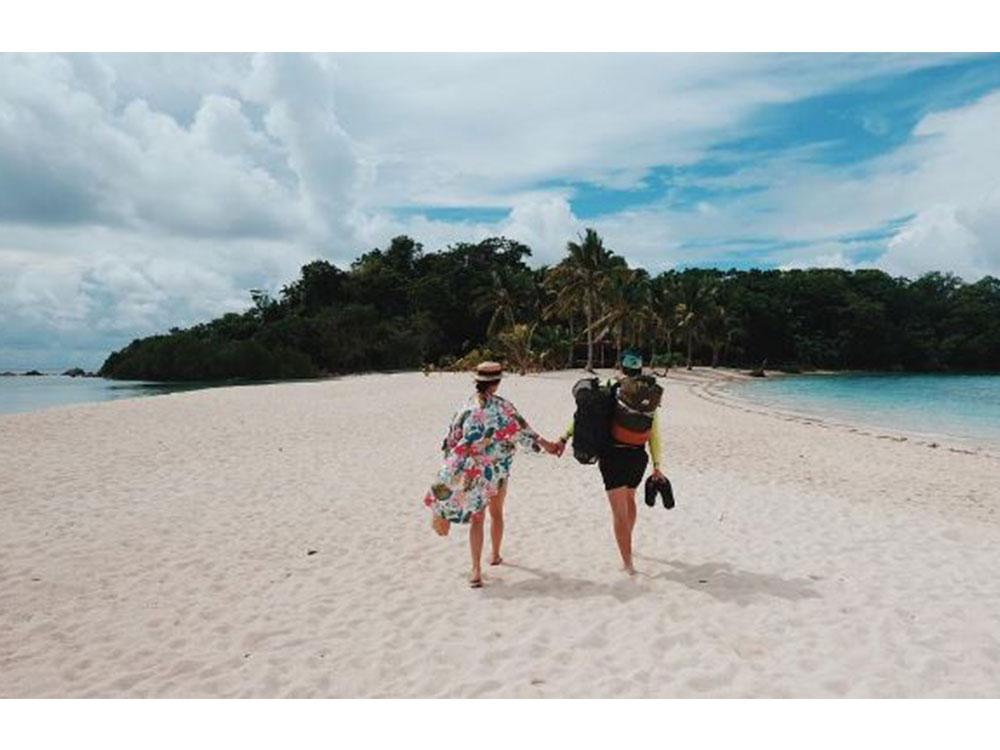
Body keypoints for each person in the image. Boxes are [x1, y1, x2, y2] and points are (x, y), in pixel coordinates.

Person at [424, 361, 562, 588]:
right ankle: (495, 555)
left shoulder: (465, 408)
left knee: (477, 517)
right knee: (497, 513)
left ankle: (476, 569)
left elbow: (452, 439)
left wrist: (451, 465)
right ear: (496, 384)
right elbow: (524, 433)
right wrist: (549, 446)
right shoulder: (503, 408)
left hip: (473, 470)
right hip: (496, 470)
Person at [557, 351, 665, 575]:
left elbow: (584, 416)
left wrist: (564, 437)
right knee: (629, 499)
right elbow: (654, 432)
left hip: (613, 455)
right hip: (638, 456)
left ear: (621, 368)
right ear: (640, 369)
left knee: (618, 511)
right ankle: (628, 544)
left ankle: (628, 564)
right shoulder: (645, 395)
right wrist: (657, 463)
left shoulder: (610, 388)